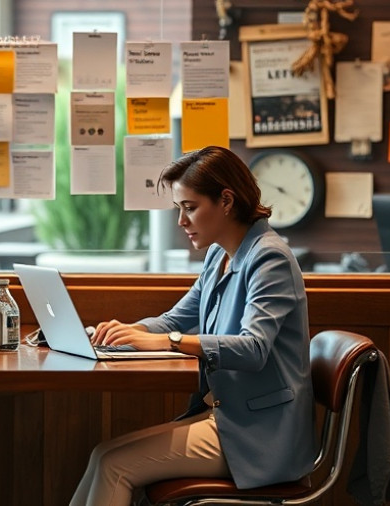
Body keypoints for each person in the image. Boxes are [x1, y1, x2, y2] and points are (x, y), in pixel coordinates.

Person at [71, 146, 316, 506]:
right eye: (179, 209)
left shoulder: (269, 257)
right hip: (230, 418)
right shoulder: (219, 254)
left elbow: (254, 349)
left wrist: (169, 342)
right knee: (102, 456)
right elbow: (175, 320)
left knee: (114, 465)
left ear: (226, 201)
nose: (181, 221)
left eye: (189, 208)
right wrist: (124, 333)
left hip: (263, 435)